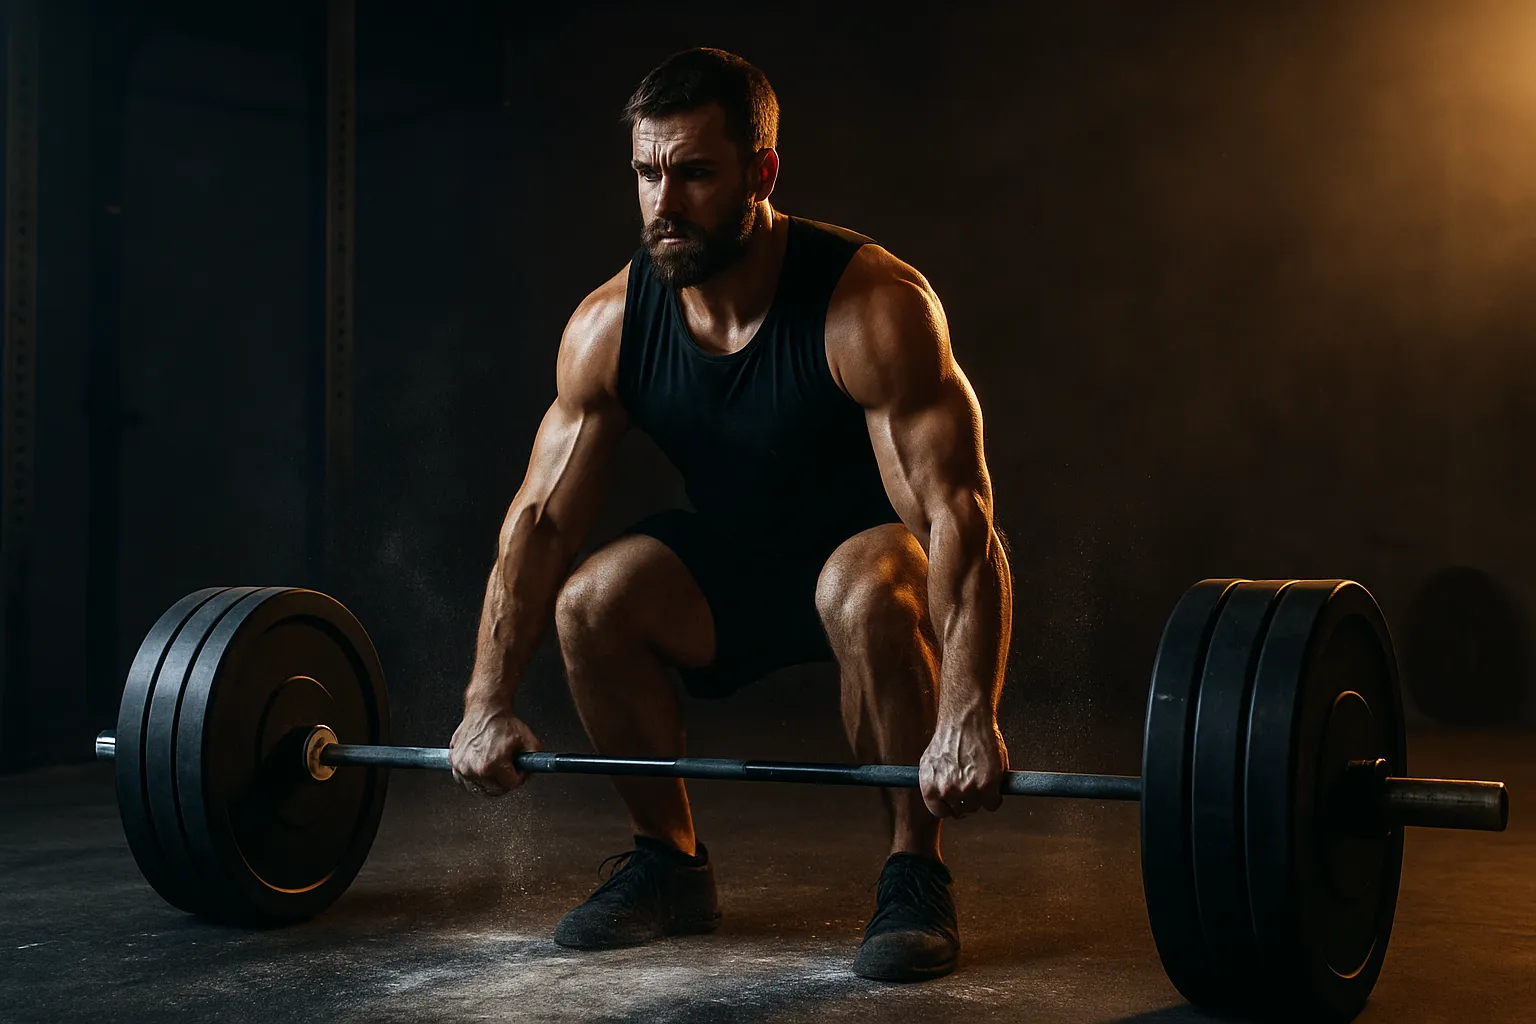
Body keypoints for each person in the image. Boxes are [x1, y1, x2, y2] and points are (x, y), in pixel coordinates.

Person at [448, 46, 1012, 982]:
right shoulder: (613, 324)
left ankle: (916, 872)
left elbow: (960, 518)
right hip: (730, 575)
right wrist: (484, 703)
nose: (663, 205)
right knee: (589, 599)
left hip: (869, 567)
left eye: (695, 173)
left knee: (863, 585)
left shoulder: (869, 305)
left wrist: (967, 715)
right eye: (646, 173)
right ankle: (670, 866)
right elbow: (540, 523)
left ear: (762, 172)